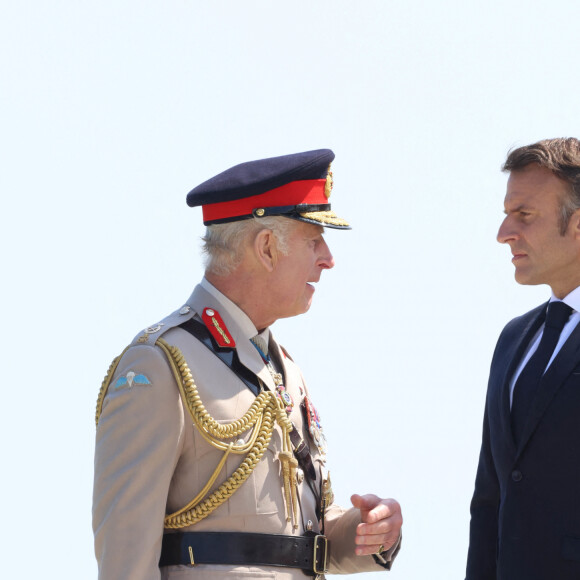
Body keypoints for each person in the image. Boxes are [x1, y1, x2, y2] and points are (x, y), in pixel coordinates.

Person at [93, 149, 402, 579]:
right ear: (267, 248)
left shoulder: (284, 370)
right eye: (314, 240)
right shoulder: (159, 364)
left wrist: (371, 533)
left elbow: (298, 541)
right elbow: (126, 557)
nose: (328, 258)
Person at [466, 138, 580, 580]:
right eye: (506, 215)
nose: (504, 233)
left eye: (525, 216)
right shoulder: (514, 339)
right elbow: (489, 500)